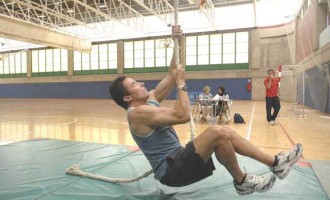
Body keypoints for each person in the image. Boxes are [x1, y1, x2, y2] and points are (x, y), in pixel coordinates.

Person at [109, 26, 303, 195]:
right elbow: (182, 115)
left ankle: (259, 172)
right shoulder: (137, 115)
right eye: (135, 84)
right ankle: (264, 169)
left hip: (178, 158)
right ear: (127, 97)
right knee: (218, 131)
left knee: (223, 136)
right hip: (171, 171)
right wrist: (182, 84)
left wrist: (178, 42)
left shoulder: (149, 100)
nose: (141, 83)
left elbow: (172, 73)